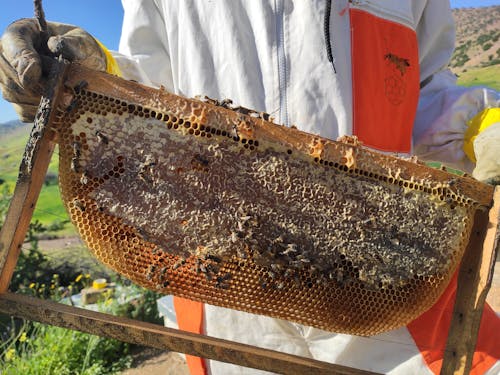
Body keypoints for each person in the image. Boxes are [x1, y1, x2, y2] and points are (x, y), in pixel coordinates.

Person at [1, 1, 499, 374]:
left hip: (390, 285)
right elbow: (150, 91)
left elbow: (424, 85)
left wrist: (484, 123)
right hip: (222, 287)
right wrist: (93, 73)